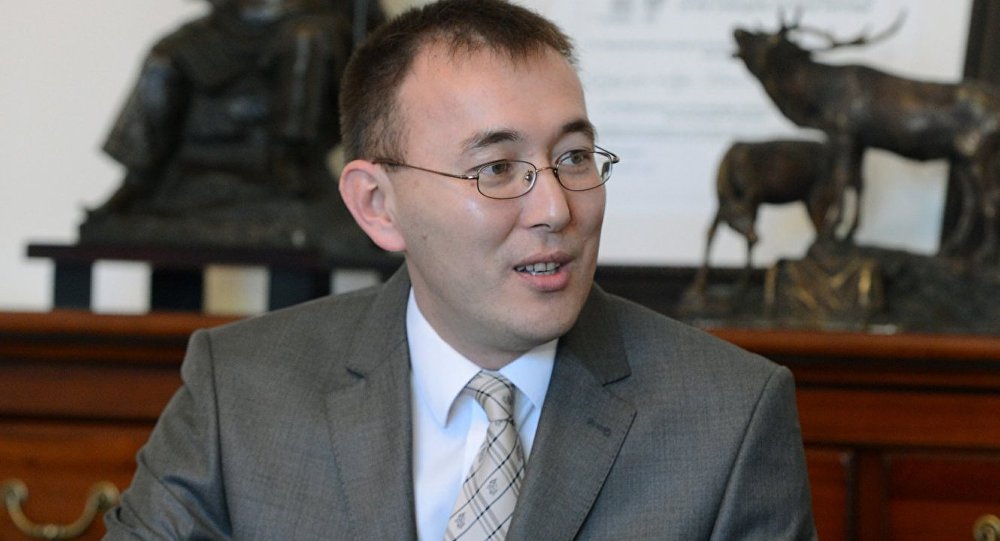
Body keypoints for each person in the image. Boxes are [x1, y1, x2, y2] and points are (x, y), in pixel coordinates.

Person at [103, 0, 818, 539]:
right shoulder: (239, 393)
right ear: (377, 205)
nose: (556, 208)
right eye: (496, 168)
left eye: (573, 157)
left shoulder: (729, 417)